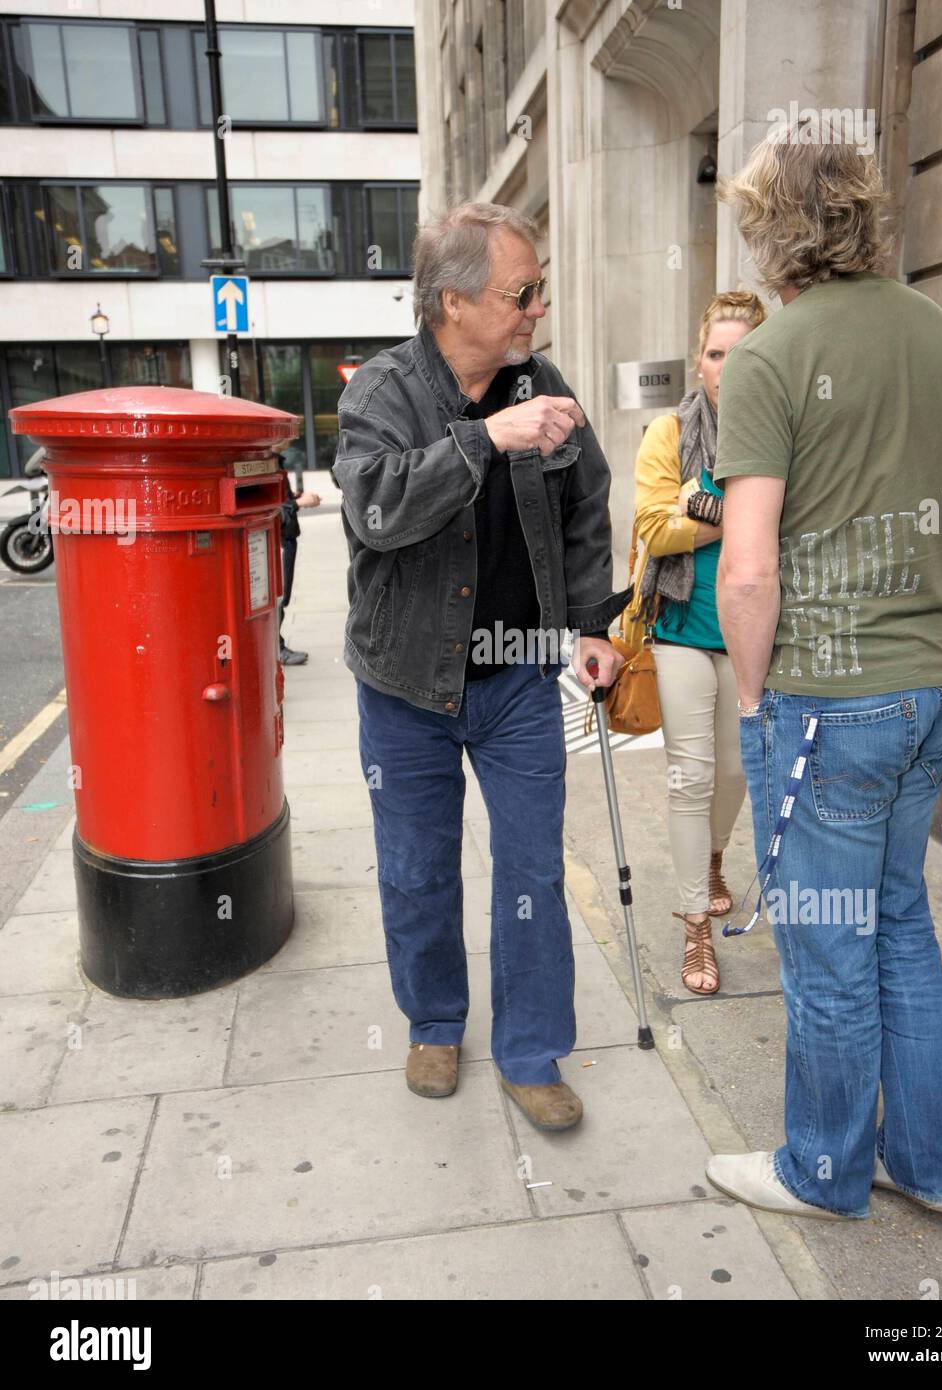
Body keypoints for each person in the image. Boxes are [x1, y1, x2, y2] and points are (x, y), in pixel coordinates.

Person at [705, 115, 942, 1220]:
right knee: (900, 918)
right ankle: (934, 1163)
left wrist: (753, 693)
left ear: (771, 229)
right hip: (938, 681)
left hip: (831, 691)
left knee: (826, 942)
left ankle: (822, 1167)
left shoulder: (772, 355)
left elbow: (747, 569)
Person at [332, 201, 628, 1132]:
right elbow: (375, 512)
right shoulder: (380, 393)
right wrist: (486, 440)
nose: (537, 308)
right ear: (453, 302)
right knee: (416, 868)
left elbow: (585, 503)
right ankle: (433, 1021)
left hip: (517, 679)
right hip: (405, 684)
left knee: (534, 868)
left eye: (537, 290)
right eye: (522, 292)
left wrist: (586, 622)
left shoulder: (539, 379)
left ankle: (532, 1050)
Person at [632, 291, 764, 996]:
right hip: (681, 624)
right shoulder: (669, 433)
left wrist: (706, 506)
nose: (726, 367)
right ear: (699, 360)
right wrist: (739, 516)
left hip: (751, 632)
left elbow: (795, 526)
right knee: (689, 775)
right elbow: (656, 529)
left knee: (736, 770)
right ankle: (694, 927)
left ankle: (714, 858)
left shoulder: (781, 430)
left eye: (742, 354)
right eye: (716, 353)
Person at [276, 447, 320, 666]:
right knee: (278, 597)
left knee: (281, 596)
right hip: (279, 541)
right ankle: (278, 648)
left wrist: (293, 498)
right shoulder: (265, 464)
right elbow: (268, 511)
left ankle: (277, 646)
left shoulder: (275, 462)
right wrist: (298, 503)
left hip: (287, 538)